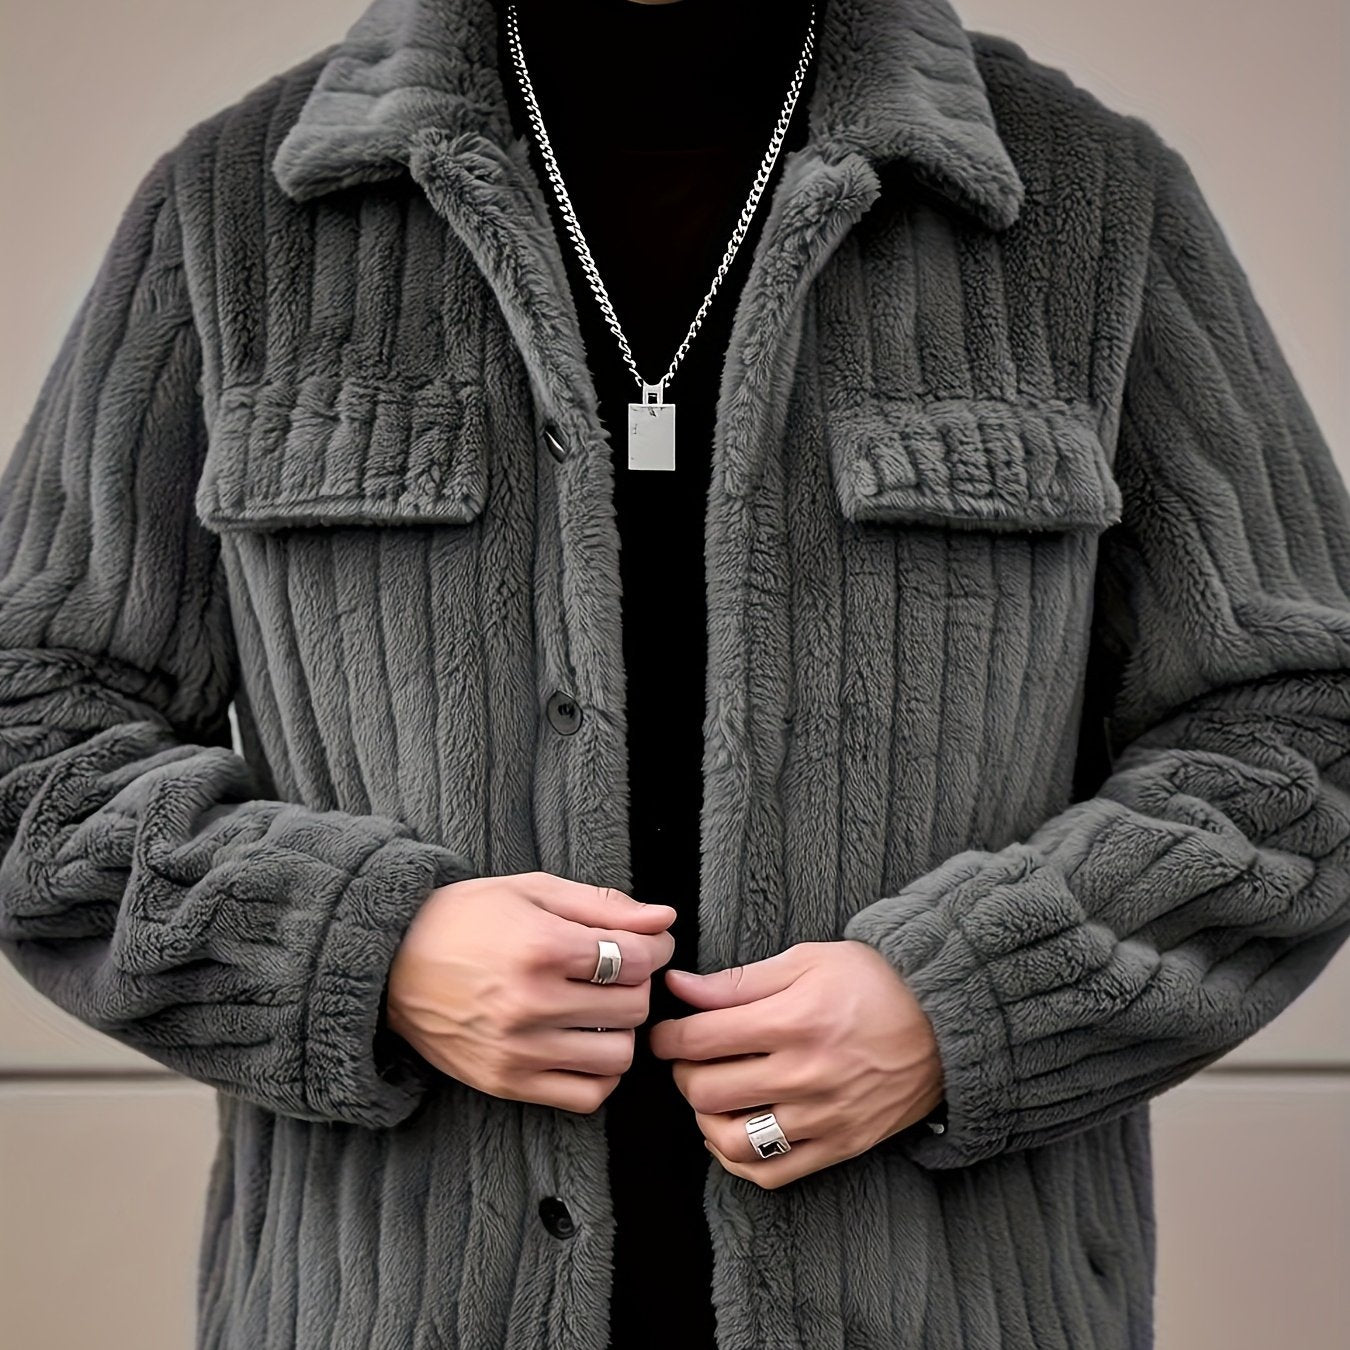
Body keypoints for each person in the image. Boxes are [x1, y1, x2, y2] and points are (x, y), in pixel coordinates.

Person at [1, 0, 1347, 1347]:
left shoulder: (1084, 198)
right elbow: (31, 731)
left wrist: (969, 1005)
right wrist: (365, 948)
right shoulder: (236, 209)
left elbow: (1303, 725)